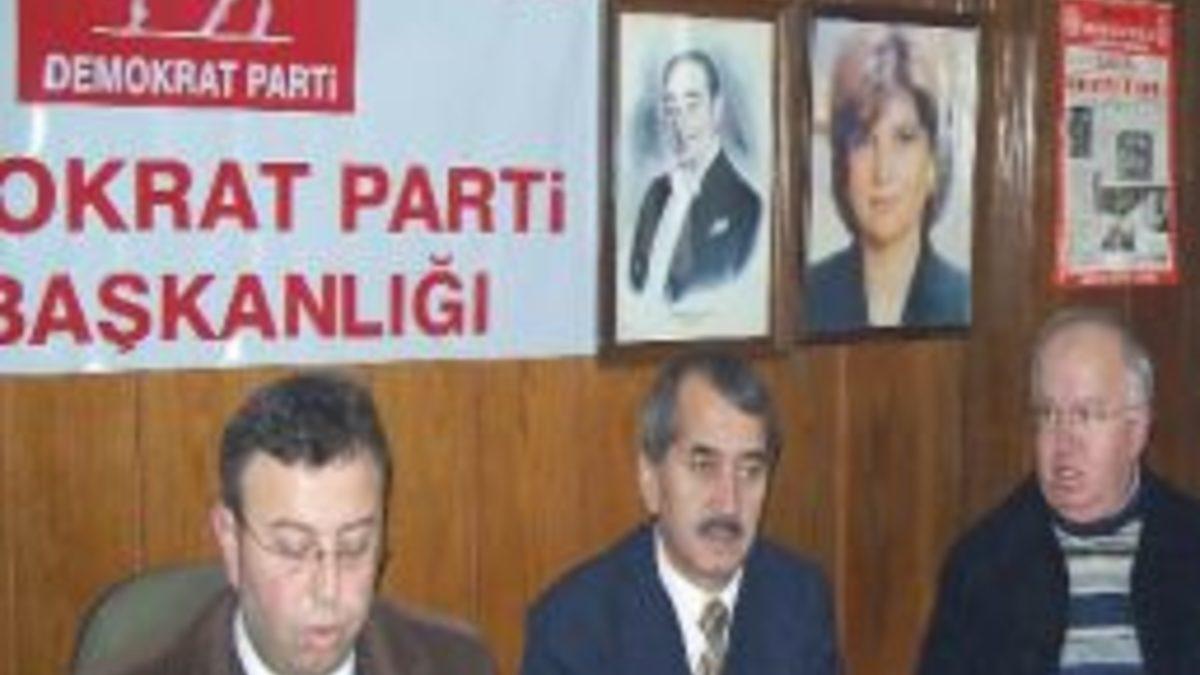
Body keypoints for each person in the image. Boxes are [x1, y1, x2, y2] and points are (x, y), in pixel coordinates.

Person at [87, 372, 495, 675]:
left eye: (354, 546)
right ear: (230, 540)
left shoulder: (457, 664)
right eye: (293, 549)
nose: (328, 591)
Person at [918, 307, 1200, 674]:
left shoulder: (1189, 545)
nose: (1064, 441)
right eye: (1048, 414)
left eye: (1086, 414)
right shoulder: (984, 563)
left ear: (1136, 430)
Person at [521, 352, 838, 674]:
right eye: (703, 466)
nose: (728, 502)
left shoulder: (800, 599)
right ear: (650, 480)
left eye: (750, 470)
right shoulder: (573, 628)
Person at [805, 26, 969, 333]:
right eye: (864, 140)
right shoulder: (804, 297)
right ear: (842, 164)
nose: (882, 171)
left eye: (904, 138)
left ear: (934, 162)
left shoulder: (965, 301)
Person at [626, 49, 763, 308]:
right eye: (671, 109)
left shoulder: (746, 205)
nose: (680, 123)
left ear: (717, 108)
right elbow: (636, 282)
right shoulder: (656, 192)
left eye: (692, 106)